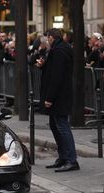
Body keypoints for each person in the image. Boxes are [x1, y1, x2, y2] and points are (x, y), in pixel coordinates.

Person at [36, 28, 80, 172]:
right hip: (60, 95)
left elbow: (57, 76)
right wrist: (43, 65)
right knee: (56, 125)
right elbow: (53, 71)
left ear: (51, 38)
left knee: (62, 126)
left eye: (48, 38)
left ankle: (71, 159)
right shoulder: (58, 48)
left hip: (59, 96)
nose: (47, 40)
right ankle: (63, 157)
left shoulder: (59, 50)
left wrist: (49, 98)